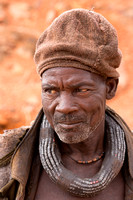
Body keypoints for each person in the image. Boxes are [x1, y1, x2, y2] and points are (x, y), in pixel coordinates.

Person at [0, 8, 133, 200]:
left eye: (81, 90)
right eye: (51, 91)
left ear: (110, 88)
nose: (64, 106)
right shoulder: (8, 164)